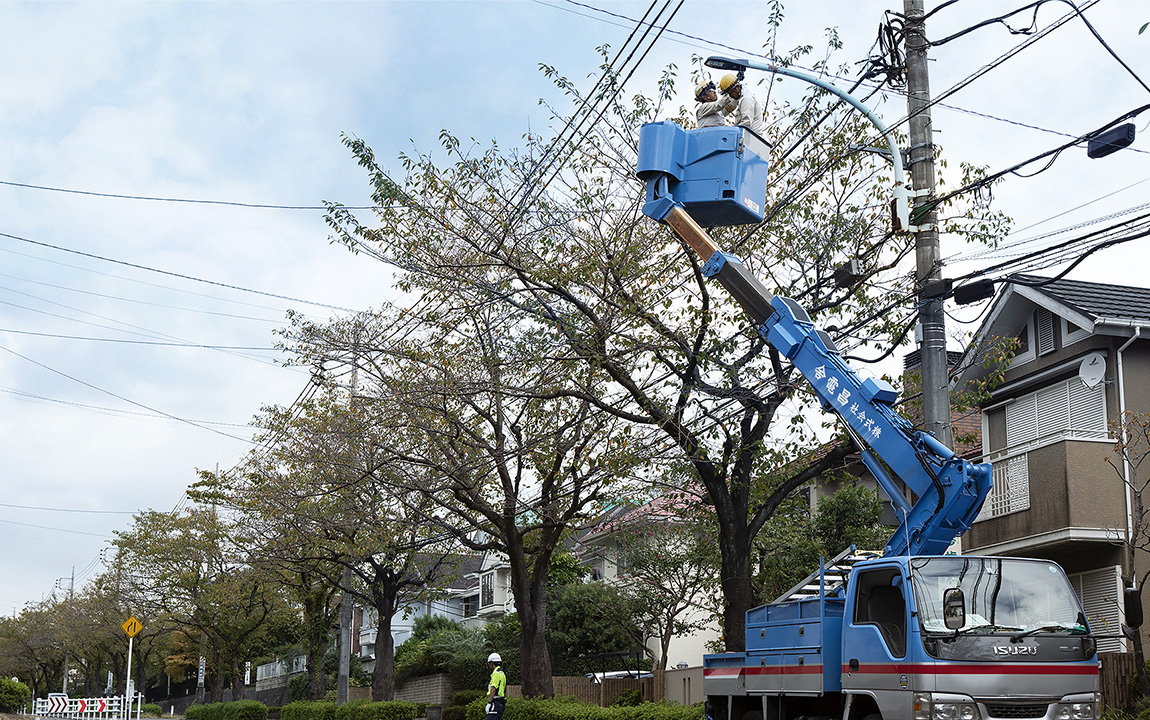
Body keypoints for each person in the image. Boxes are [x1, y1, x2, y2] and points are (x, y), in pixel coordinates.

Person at [719, 73, 768, 138]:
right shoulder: (739, 96)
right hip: (747, 139)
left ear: (736, 88)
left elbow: (746, 124)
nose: (730, 96)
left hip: (752, 140)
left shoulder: (747, 99)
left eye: (730, 93)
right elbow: (730, 106)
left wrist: (729, 131)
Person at [485, 652, 507, 720]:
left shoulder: (495, 673)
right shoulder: (502, 673)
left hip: (495, 702)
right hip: (501, 702)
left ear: (492, 663)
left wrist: (489, 702)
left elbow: (493, 689)